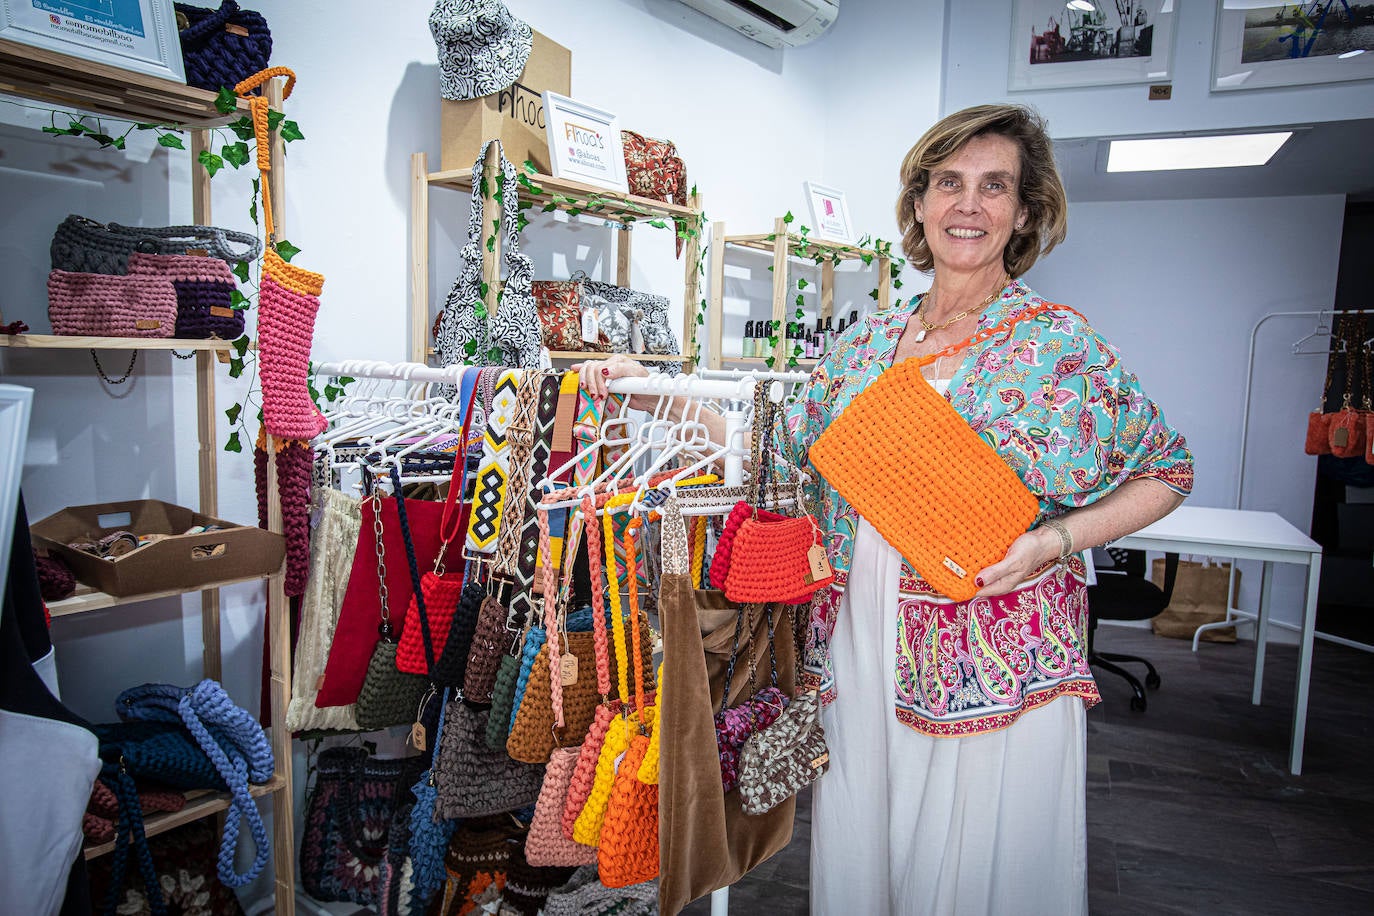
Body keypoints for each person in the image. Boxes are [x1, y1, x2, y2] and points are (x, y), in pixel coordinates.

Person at [578, 103, 1193, 915]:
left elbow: (1168, 469)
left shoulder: (1058, 344)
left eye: (993, 186)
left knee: (977, 864)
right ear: (919, 203)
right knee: (872, 846)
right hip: (863, 644)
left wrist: (1054, 541)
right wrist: (653, 389)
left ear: (1025, 212)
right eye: (948, 183)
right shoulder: (862, 342)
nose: (967, 205)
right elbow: (775, 452)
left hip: (992, 654)